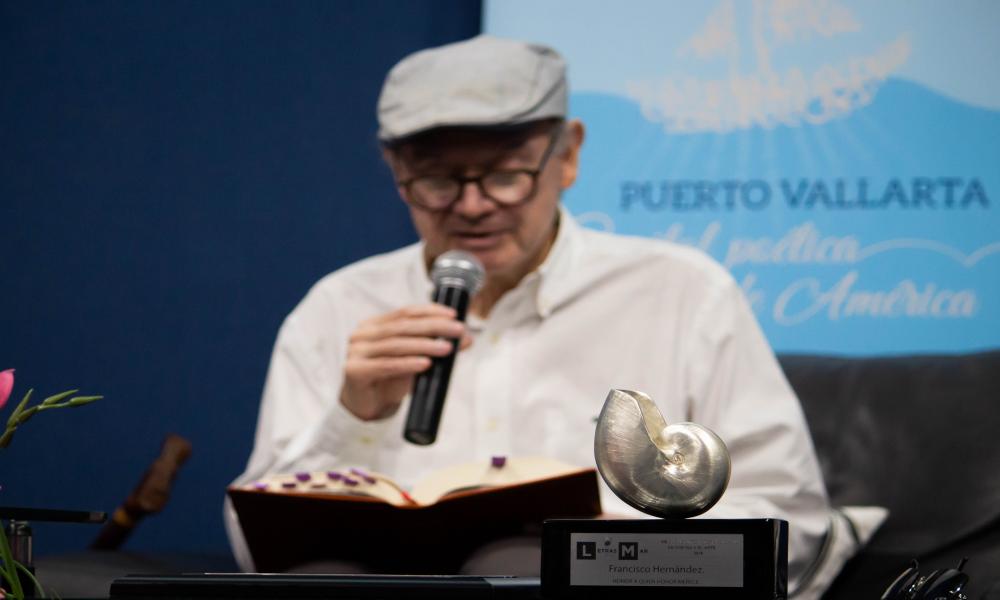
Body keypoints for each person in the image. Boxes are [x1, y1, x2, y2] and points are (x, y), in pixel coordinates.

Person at [225, 34, 830, 587]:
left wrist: (613, 545)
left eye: (505, 174)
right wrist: (351, 416)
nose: (472, 206)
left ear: (567, 155)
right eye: (435, 180)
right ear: (395, 172)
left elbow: (791, 520)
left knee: (519, 566)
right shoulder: (339, 307)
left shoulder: (684, 293)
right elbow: (257, 551)